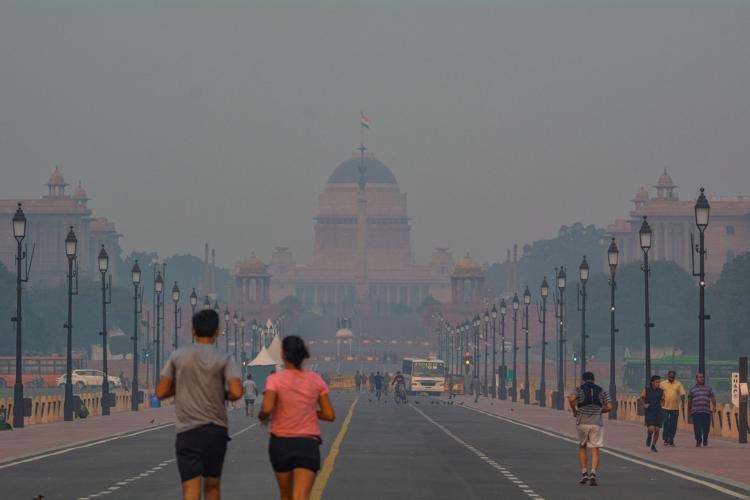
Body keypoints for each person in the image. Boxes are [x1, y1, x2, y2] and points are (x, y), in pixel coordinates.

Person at [156, 309, 243, 500]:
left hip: (188, 431)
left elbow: (161, 392)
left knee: (190, 491)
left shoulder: (178, 356)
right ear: (218, 332)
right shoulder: (225, 358)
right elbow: (236, 392)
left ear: (193, 331)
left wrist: (181, 386)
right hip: (216, 430)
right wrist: (219, 392)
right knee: (212, 488)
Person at [259, 335, 336, 500]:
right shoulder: (316, 380)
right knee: (301, 496)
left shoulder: (274, 379)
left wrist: (263, 416)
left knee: (286, 495)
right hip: (307, 444)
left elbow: (267, 408)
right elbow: (329, 415)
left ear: (282, 354)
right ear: (303, 355)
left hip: (281, 443)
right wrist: (309, 411)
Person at [568, 371, 612, 487]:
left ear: (583, 380)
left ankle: (584, 474)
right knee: (595, 448)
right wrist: (600, 411)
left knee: (582, 446)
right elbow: (609, 407)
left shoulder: (578, 389)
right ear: (594, 380)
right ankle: (593, 473)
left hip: (582, 422)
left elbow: (571, 399)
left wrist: (574, 411)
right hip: (596, 423)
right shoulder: (602, 390)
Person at [688, 373, 717, 447]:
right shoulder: (692, 389)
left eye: (702, 377)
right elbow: (690, 400)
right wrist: (689, 410)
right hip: (696, 411)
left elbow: (712, 397)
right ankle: (698, 440)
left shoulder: (708, 388)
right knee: (697, 427)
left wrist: (714, 406)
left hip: (706, 411)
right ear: (696, 379)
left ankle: (705, 439)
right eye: (700, 377)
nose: (701, 379)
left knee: (706, 427)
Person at [660, 370, 686, 446]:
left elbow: (682, 394)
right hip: (664, 407)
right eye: (670, 376)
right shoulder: (663, 384)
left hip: (675, 408)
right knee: (666, 423)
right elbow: (659, 393)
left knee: (673, 425)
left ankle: (671, 439)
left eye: (673, 377)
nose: (671, 378)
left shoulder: (678, 384)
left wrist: (683, 403)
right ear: (668, 376)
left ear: (674, 377)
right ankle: (665, 438)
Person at [640, 375, 665, 452]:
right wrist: (644, 405)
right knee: (651, 429)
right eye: (657, 382)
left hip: (658, 412)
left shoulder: (661, 391)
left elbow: (663, 400)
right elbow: (641, 398)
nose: (658, 383)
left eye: (659, 382)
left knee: (657, 430)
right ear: (652, 382)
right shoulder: (646, 390)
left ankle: (653, 445)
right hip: (650, 411)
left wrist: (662, 404)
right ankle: (649, 435)